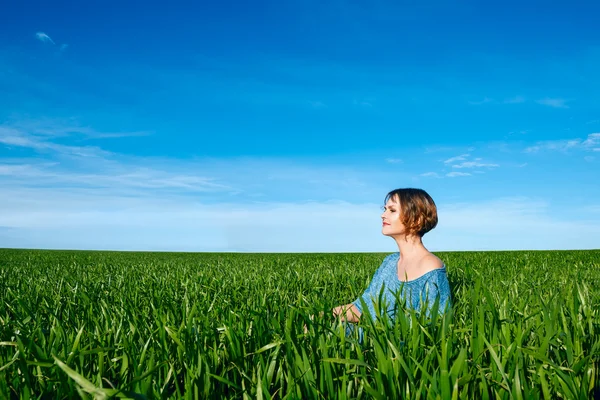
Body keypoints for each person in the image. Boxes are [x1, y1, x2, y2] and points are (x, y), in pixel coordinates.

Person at [332, 188, 451, 331]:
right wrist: (323, 315)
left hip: (392, 348)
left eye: (392, 210)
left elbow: (435, 327)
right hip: (370, 337)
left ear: (416, 219)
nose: (383, 215)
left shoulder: (431, 268)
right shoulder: (390, 262)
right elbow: (361, 307)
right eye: (385, 209)